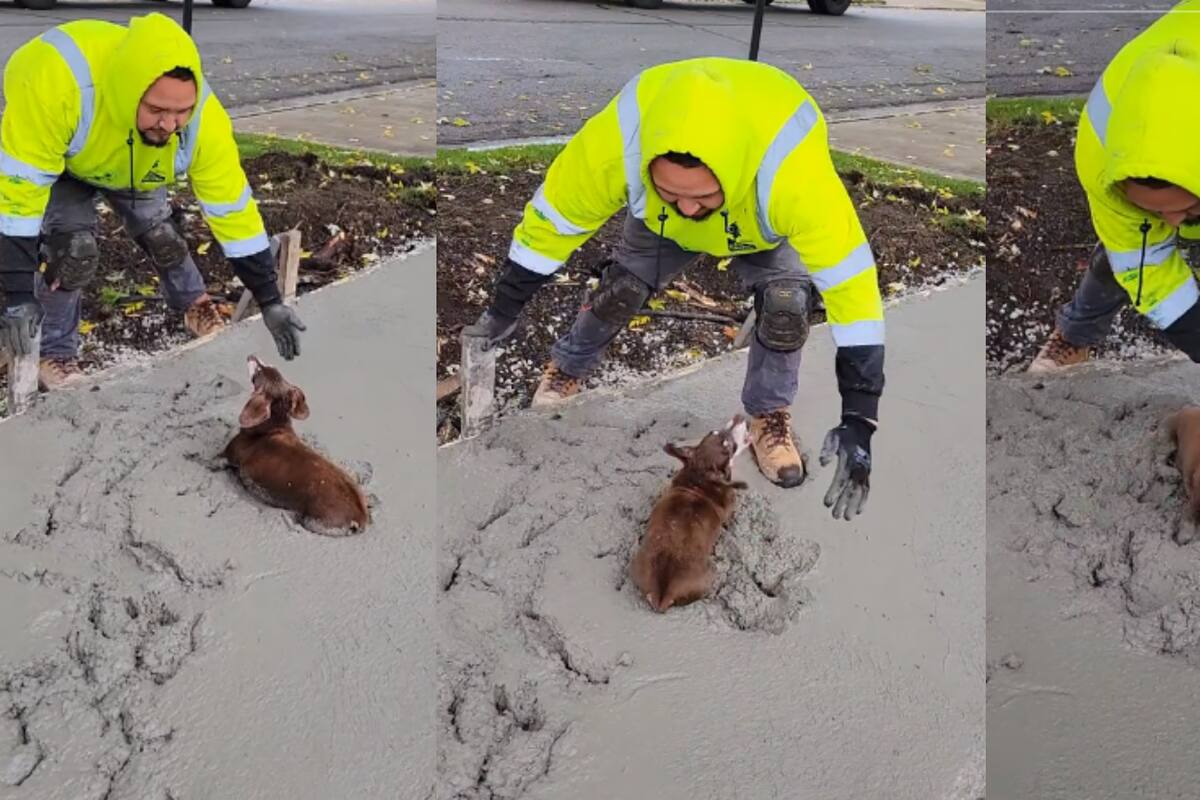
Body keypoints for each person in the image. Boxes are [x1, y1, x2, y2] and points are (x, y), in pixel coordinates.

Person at [464, 57, 885, 521]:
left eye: (702, 197)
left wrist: (859, 419)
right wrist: (504, 309)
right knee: (621, 289)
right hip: (657, 229)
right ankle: (566, 369)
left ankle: (768, 414)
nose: (687, 207)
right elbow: (553, 222)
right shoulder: (617, 142)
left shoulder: (793, 177)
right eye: (671, 192)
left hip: (761, 226)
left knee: (786, 306)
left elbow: (853, 290)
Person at [0, 13, 305, 390]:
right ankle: (55, 352)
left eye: (180, 112)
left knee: (163, 236)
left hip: (133, 159)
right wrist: (16, 294)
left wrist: (269, 298)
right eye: (157, 110)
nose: (169, 124)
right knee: (74, 252)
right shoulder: (55, 88)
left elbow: (232, 209)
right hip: (67, 155)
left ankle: (195, 306)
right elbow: (17, 200)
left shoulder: (199, 121)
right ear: (130, 95)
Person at [1029, 0, 1200, 374]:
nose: (1172, 224)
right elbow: (1142, 264)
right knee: (1120, 253)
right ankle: (1075, 336)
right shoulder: (1099, 155)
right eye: (1155, 210)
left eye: (1187, 209)